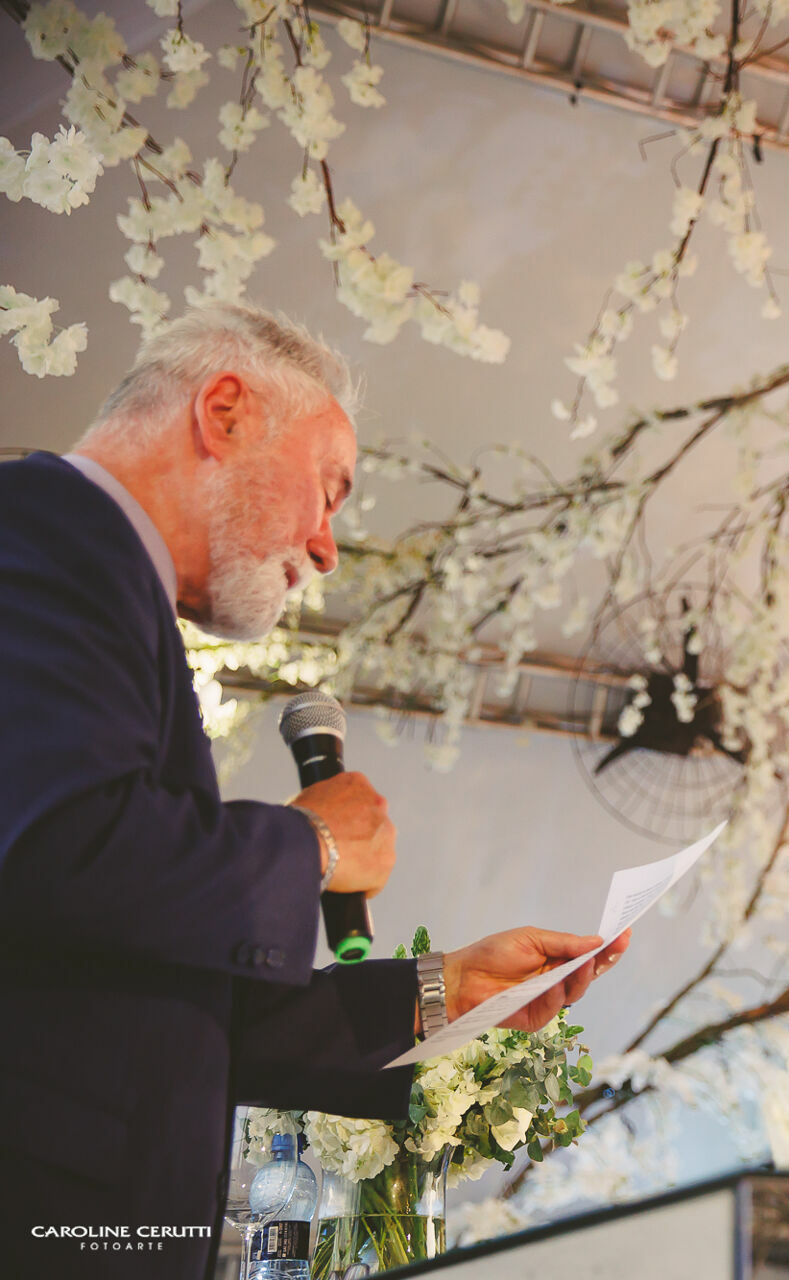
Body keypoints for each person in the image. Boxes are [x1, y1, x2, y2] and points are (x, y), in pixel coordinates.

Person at [0, 303, 633, 1279]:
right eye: (328, 489)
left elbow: (166, 984)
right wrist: (313, 847)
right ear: (224, 412)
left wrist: (444, 991)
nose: (329, 545)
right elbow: (52, 849)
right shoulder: (41, 530)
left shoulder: (110, 585)